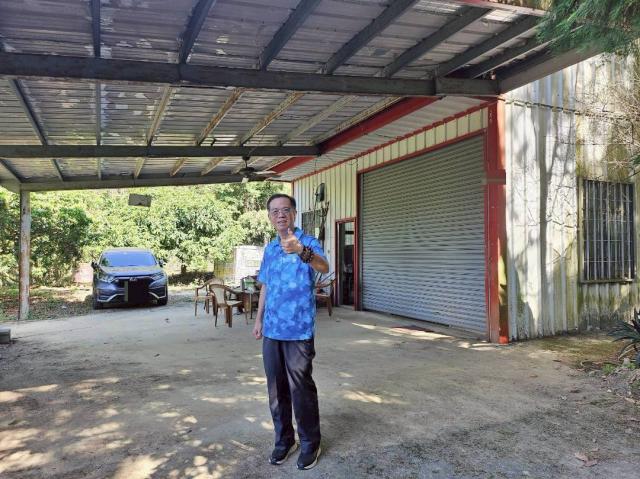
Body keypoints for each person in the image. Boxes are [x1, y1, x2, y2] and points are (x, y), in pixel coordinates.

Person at [253, 193, 329, 470]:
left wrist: (300, 250)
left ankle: (310, 443)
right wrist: (258, 319)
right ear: (269, 217)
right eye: (275, 211)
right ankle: (285, 440)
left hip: (298, 330)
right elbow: (266, 284)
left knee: (301, 389)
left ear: (294, 214)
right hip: (272, 329)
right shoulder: (270, 248)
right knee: (276, 390)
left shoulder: (307, 242)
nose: (280, 215)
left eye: (285, 210)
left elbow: (324, 267)